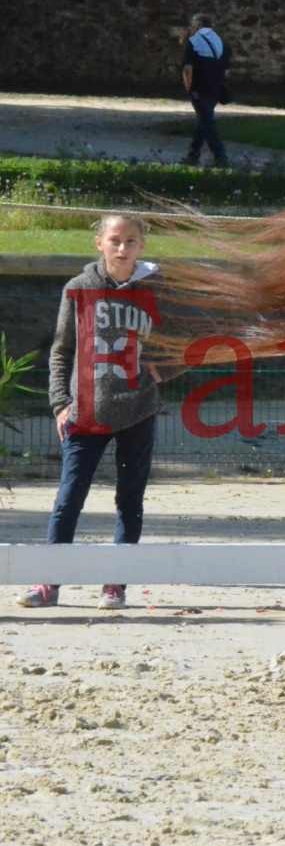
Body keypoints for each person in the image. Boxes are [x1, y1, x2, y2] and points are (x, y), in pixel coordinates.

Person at [18, 215, 167, 610]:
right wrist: (59, 404)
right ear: (99, 243)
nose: (123, 248)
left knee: (129, 498)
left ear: (142, 246)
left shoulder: (156, 290)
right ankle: (50, 582)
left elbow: (178, 342)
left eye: (131, 241)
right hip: (87, 410)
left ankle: (115, 583)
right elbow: (61, 350)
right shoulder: (79, 289)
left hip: (138, 409)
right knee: (69, 498)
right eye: (115, 240)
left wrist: (163, 366)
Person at [181, 13, 230, 167]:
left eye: (192, 24)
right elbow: (227, 71)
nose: (191, 27)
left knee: (207, 122)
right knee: (204, 120)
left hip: (199, 88)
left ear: (198, 25)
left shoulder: (194, 41)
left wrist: (188, 87)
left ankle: (220, 156)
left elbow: (188, 68)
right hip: (216, 89)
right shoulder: (222, 42)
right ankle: (192, 155)